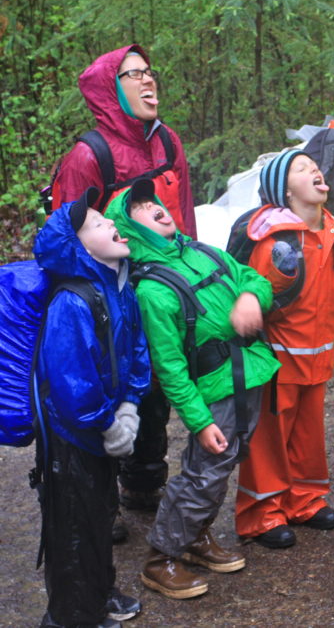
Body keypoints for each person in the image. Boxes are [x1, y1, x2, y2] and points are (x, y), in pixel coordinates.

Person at [106, 179, 280, 600]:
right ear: (130, 231)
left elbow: (253, 278)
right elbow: (169, 371)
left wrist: (252, 299)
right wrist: (200, 422)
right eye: (142, 208)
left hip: (249, 375)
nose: (157, 207)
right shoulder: (151, 291)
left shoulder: (203, 252)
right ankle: (160, 557)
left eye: (155, 201)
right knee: (204, 473)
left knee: (222, 466)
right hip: (213, 391)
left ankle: (197, 537)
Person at [52, 45, 198, 518]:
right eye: (134, 74)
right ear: (111, 89)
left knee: (155, 390)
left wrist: (191, 274)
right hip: (109, 297)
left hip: (162, 289)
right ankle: (100, 501)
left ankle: (143, 484)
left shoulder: (167, 142)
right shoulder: (87, 155)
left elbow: (184, 217)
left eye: (149, 71)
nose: (148, 80)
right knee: (112, 386)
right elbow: (67, 235)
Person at [33, 187, 150, 627]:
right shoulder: (71, 302)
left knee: (101, 512)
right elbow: (71, 383)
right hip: (72, 438)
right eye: (97, 224)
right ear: (78, 248)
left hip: (104, 428)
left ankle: (98, 593)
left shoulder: (121, 288)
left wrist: (131, 405)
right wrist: (106, 423)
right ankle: (72, 615)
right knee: (73, 525)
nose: (112, 223)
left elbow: (138, 350)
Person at [234, 150, 334, 549]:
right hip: (277, 359)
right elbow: (254, 289)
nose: (315, 169)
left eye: (315, 165)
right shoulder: (274, 240)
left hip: (317, 356)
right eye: (301, 168)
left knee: (308, 435)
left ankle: (304, 500)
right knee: (269, 439)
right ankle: (261, 513)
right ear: (284, 191)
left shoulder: (331, 230)